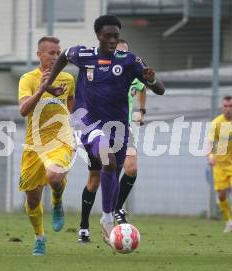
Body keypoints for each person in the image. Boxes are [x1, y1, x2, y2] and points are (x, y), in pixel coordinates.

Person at [42, 15, 165, 245]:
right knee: (107, 160)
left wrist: (152, 79)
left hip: (118, 128)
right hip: (87, 123)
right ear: (98, 35)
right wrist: (49, 83)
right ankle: (108, 220)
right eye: (107, 36)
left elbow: (160, 89)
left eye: (115, 36)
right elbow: (64, 55)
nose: (111, 40)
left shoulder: (129, 61)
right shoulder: (84, 55)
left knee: (113, 170)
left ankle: (107, 215)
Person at [77, 38, 147, 243]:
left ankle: (116, 209)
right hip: (99, 130)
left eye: (125, 52)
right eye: (118, 52)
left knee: (131, 168)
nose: (122, 56)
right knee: (94, 179)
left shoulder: (130, 72)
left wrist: (141, 111)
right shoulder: (99, 72)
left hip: (123, 129)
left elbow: (142, 87)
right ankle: (84, 226)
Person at [18, 36, 75, 255]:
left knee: (54, 176)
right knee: (32, 199)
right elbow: (23, 110)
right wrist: (42, 89)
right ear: (39, 55)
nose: (56, 56)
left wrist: (75, 131)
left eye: (58, 52)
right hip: (34, 145)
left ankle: (57, 200)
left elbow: (71, 105)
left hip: (60, 140)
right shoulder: (27, 79)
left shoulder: (68, 79)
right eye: (51, 53)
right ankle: (39, 237)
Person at [207, 96, 232, 233]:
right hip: (220, 165)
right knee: (222, 196)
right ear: (222, 107)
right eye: (225, 106)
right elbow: (210, 143)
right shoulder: (216, 123)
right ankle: (229, 222)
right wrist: (211, 155)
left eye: (231, 106)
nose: (228, 109)